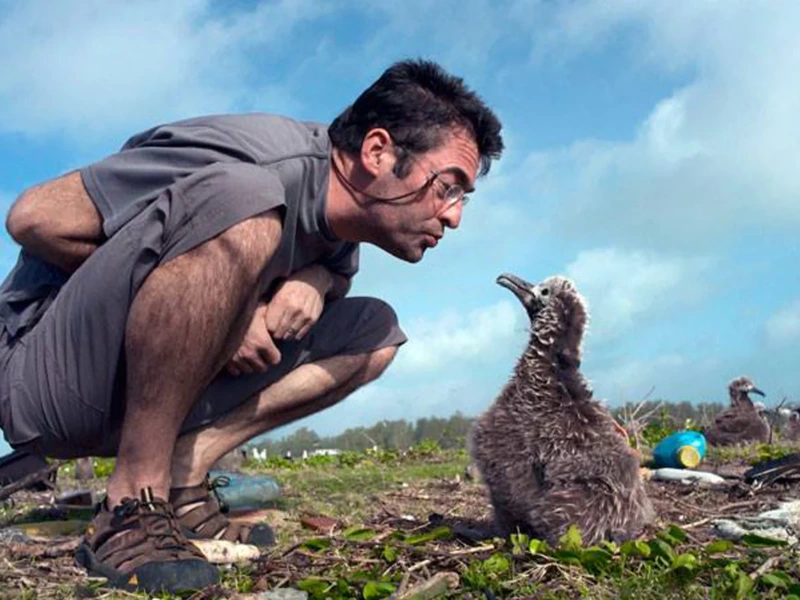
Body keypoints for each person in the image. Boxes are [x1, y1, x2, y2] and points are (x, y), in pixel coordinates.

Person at [0, 59, 503, 592]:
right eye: (447, 187)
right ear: (377, 152)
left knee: (374, 331)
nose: (454, 216)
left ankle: (181, 478)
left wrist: (316, 280)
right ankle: (133, 505)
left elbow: (324, 283)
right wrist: (231, 301)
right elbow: (33, 218)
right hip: (45, 378)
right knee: (242, 202)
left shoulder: (343, 234)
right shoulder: (256, 155)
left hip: (139, 395)